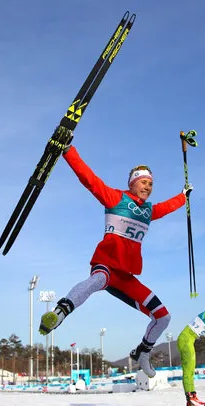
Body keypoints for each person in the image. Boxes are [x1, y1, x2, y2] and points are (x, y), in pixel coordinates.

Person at [39, 137, 192, 378]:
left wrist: (184, 196)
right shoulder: (116, 198)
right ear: (132, 183)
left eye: (150, 184)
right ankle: (59, 313)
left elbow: (167, 206)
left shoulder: (148, 211)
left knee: (163, 316)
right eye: (143, 182)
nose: (147, 187)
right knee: (97, 281)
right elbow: (89, 180)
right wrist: (68, 151)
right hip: (107, 264)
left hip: (126, 276)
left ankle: (142, 352)